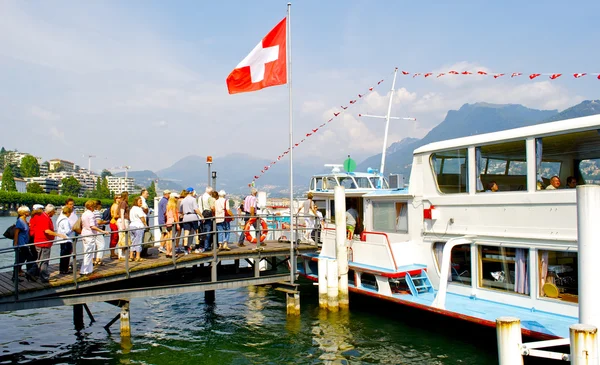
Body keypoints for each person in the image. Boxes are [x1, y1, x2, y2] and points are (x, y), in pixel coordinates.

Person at [27, 204, 67, 283]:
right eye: (53, 212)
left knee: (39, 260)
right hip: (44, 242)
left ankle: (31, 272)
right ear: (50, 212)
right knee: (44, 261)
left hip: (38, 241)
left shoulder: (40, 216)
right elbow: (46, 230)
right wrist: (59, 235)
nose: (54, 213)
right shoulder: (44, 218)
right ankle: (44, 277)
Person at [80, 200, 108, 275]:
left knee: (87, 252)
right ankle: (85, 270)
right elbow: (92, 226)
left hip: (84, 234)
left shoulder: (84, 214)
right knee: (89, 253)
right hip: (90, 235)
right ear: (91, 207)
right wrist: (102, 231)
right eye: (94, 206)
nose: (94, 208)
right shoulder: (91, 215)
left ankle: (88, 269)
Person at [12, 206, 32, 280]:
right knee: (28, 258)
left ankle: (15, 276)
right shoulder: (20, 221)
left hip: (24, 243)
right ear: (24, 213)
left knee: (21, 260)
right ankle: (29, 273)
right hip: (21, 244)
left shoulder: (24, 220)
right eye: (28, 211)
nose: (29, 213)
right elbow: (16, 233)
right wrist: (16, 243)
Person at [181, 187, 203, 253]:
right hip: (193, 217)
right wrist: (201, 216)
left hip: (186, 217)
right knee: (196, 232)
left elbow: (180, 210)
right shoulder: (193, 199)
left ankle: (186, 249)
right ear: (192, 192)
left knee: (186, 233)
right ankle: (197, 248)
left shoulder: (183, 200)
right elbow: (196, 209)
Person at [55, 205, 75, 274]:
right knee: (66, 256)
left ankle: (62, 269)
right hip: (66, 240)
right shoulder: (65, 220)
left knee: (62, 255)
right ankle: (64, 269)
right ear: (68, 213)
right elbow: (67, 231)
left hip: (61, 239)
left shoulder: (59, 218)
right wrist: (72, 229)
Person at [129, 196, 147, 262]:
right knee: (138, 241)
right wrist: (145, 225)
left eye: (141, 201)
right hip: (138, 226)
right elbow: (142, 218)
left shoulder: (132, 209)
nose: (141, 203)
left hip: (131, 225)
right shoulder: (138, 209)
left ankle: (131, 256)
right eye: (140, 201)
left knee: (133, 241)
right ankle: (138, 256)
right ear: (136, 202)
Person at [93, 200, 108, 265]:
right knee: (101, 245)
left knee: (95, 246)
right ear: (98, 205)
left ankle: (94, 259)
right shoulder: (97, 212)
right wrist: (106, 222)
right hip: (98, 230)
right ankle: (98, 259)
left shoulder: (92, 212)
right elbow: (98, 222)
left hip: (93, 231)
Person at [117, 191, 130, 260]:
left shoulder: (121, 203)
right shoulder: (123, 203)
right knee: (123, 237)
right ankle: (122, 255)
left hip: (123, 220)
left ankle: (123, 254)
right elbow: (122, 213)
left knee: (123, 237)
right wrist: (123, 224)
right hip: (123, 221)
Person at [157, 189, 171, 254]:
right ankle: (162, 247)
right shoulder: (165, 201)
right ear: (167, 194)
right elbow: (165, 211)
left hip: (160, 219)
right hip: (163, 220)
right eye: (169, 194)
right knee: (165, 234)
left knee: (163, 233)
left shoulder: (161, 201)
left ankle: (161, 246)